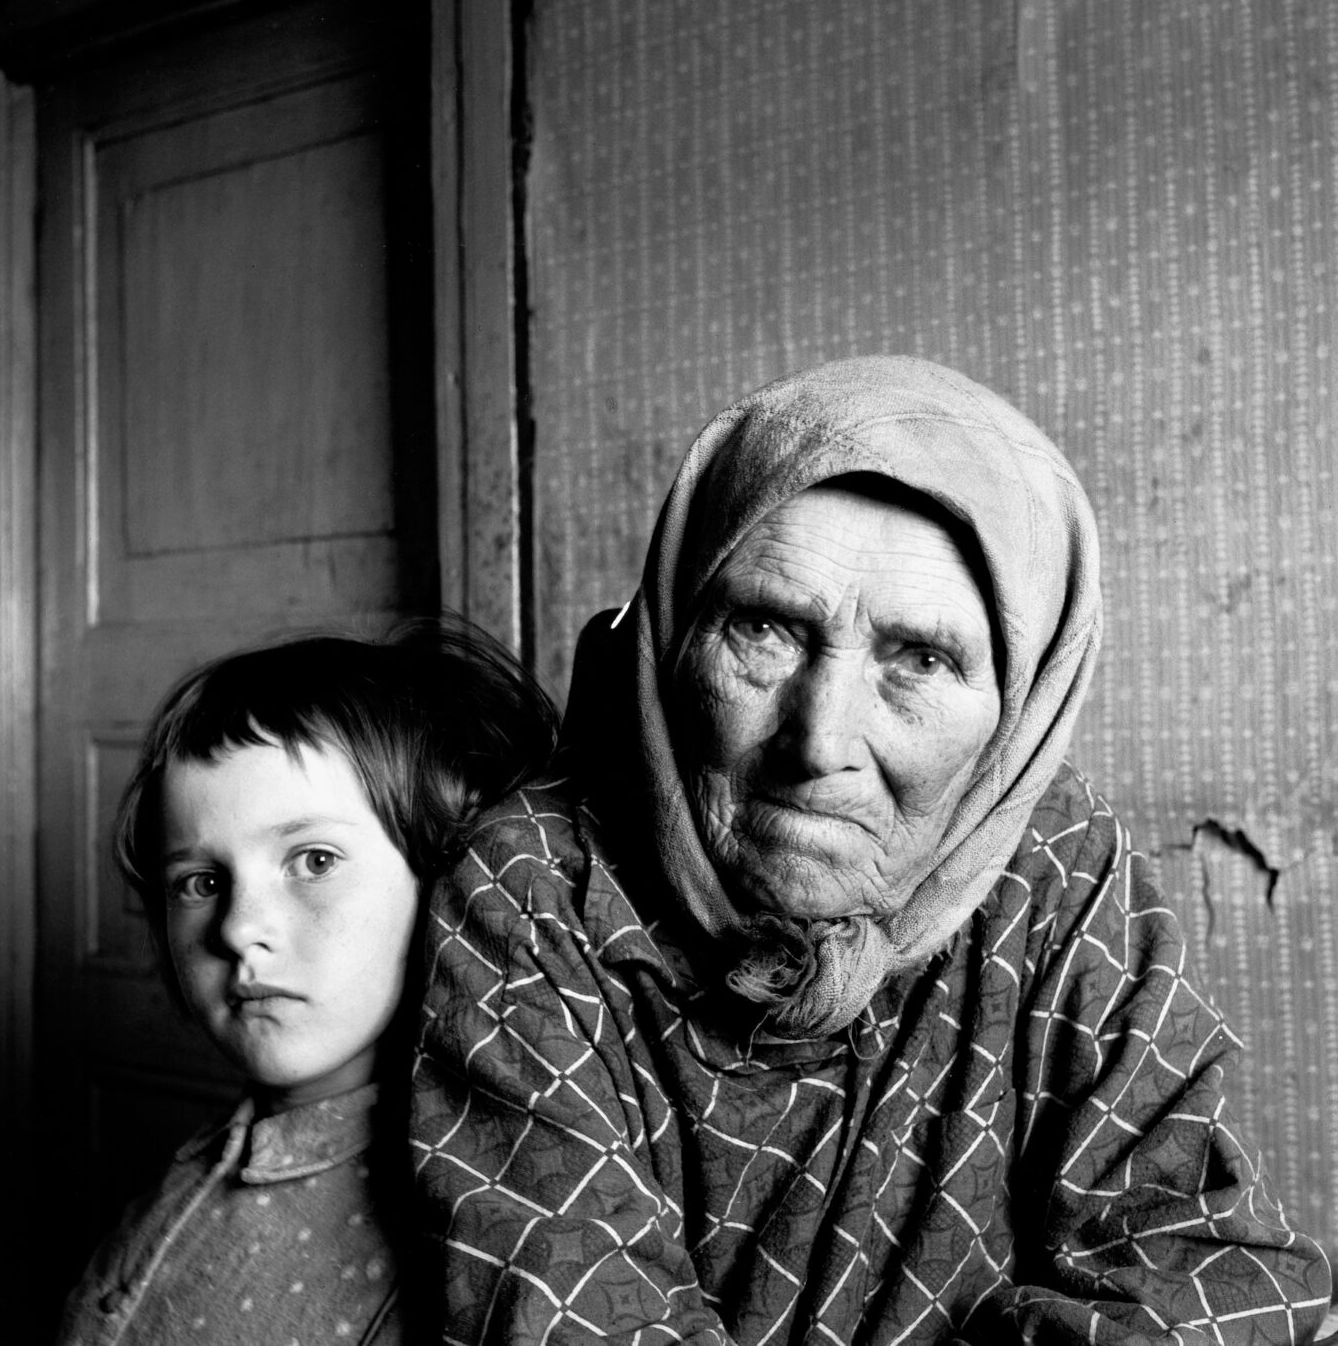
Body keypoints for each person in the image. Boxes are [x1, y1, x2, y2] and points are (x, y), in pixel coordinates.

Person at [411, 356, 1332, 1344]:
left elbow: (1206, 1277)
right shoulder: (533, 883)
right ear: (673, 634)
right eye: (765, 628)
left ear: (1020, 709)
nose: (820, 742)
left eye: (920, 659)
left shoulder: (1053, 864)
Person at [55, 622, 557, 1346]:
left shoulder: (480, 1237)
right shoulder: (188, 1173)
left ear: (452, 879)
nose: (237, 929)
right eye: (201, 882)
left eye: (315, 861)